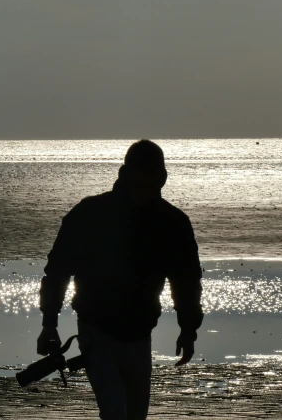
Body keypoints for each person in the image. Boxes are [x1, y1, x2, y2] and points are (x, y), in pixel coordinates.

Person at [37, 139, 203, 420]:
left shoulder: (173, 223)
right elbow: (58, 271)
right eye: (138, 186)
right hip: (95, 329)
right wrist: (49, 323)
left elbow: (186, 281)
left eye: (152, 187)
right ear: (124, 176)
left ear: (163, 179)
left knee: (135, 415)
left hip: (140, 333)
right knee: (115, 412)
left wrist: (188, 329)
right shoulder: (89, 214)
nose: (144, 194)